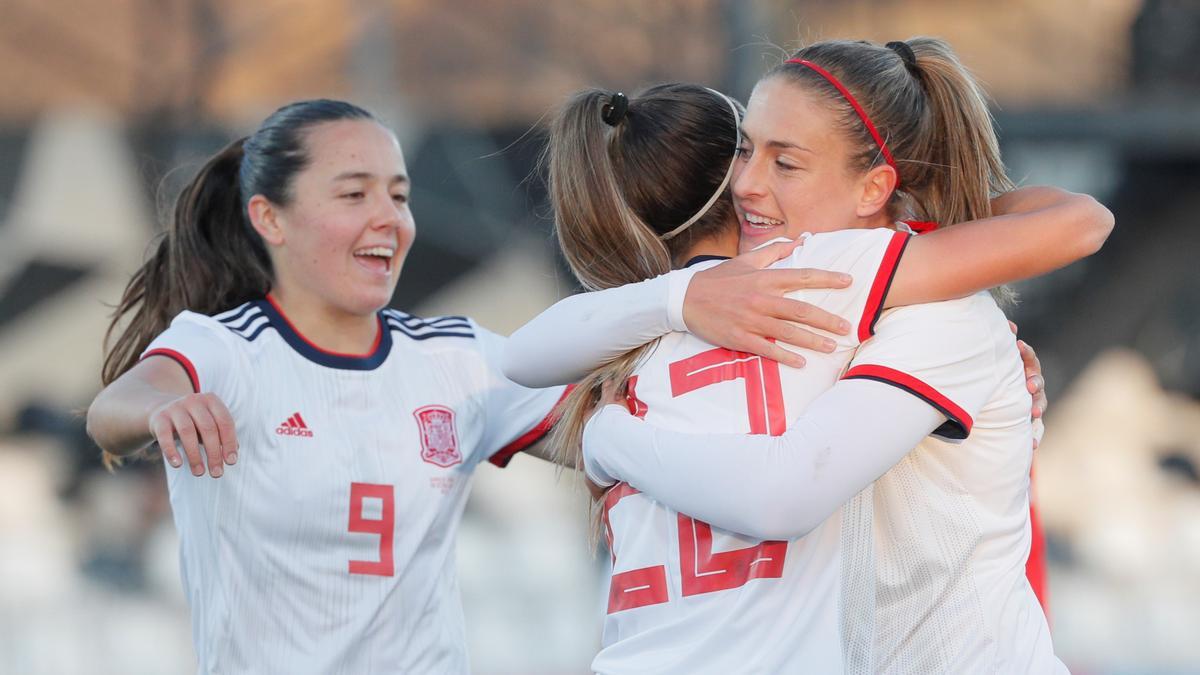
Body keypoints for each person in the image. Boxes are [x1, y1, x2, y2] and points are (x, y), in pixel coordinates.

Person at [508, 39, 1110, 674]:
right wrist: (676, 303)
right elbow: (527, 385)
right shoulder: (749, 297)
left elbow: (783, 490)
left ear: (875, 186)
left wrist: (608, 437)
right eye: (743, 148)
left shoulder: (934, 313)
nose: (743, 183)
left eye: (785, 164)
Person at [85, 99, 569, 673]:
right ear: (270, 219)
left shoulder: (458, 356)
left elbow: (604, 436)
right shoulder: (227, 349)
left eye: (399, 194)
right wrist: (164, 409)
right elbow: (112, 412)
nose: (388, 217)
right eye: (354, 194)